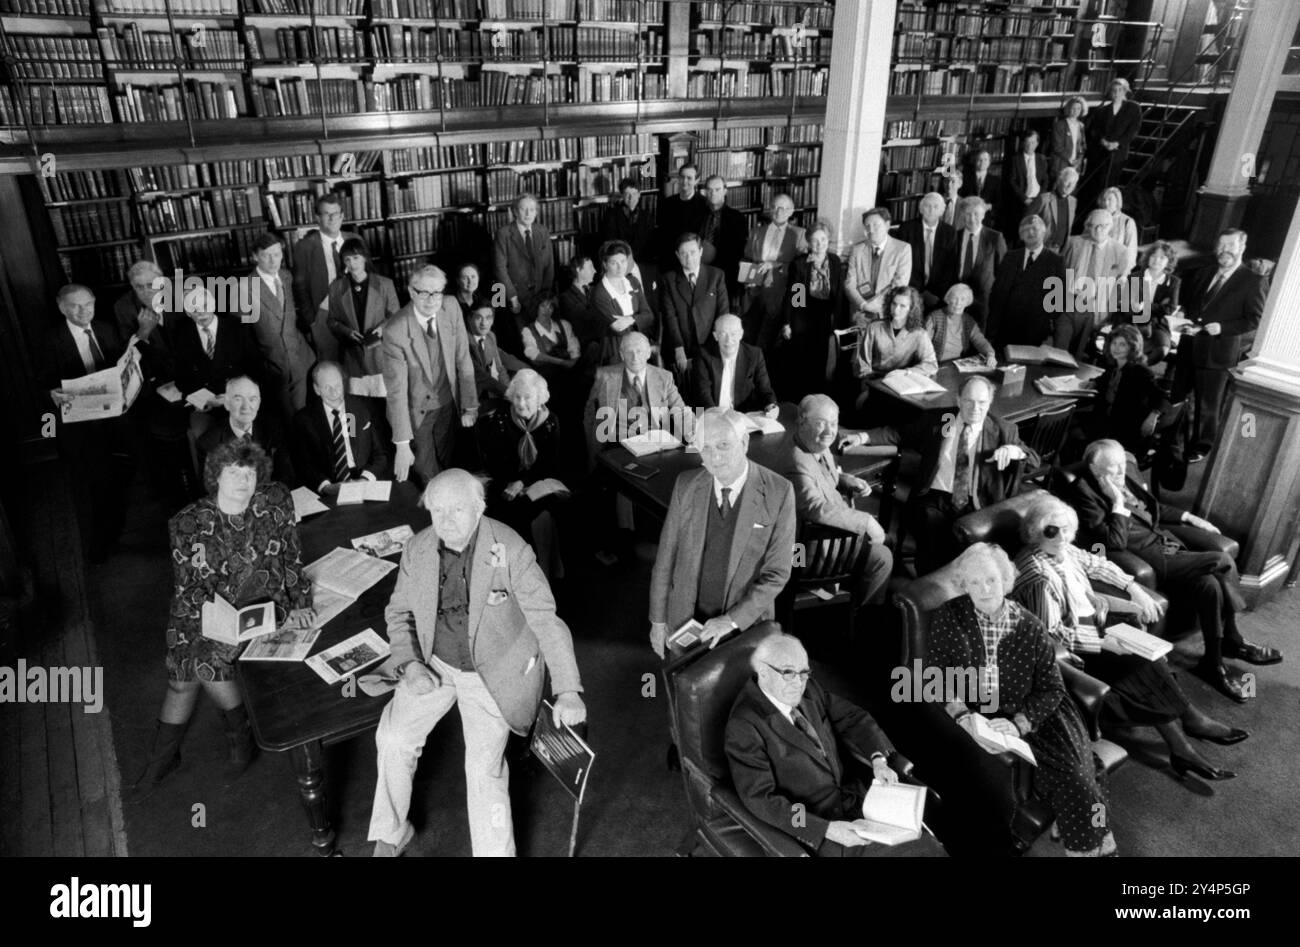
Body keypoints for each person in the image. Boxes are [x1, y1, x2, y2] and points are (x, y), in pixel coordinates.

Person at [368, 469, 586, 856]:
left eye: (456, 510)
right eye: (437, 511)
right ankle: (391, 830)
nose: (446, 521)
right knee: (393, 738)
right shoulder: (417, 549)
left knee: (483, 772)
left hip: (494, 671)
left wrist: (568, 689)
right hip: (434, 662)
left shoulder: (511, 548)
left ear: (479, 507)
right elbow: (398, 613)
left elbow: (547, 622)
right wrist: (410, 664)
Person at [1012, 495, 1246, 782]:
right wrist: (1103, 643)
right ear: (1035, 532)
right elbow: (1054, 635)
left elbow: (1097, 564)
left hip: (1094, 624)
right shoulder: (1038, 575)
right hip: (1074, 649)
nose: (1061, 537)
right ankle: (1188, 731)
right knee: (1140, 662)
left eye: (1065, 529)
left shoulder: (1063, 550)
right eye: (1052, 531)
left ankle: (1185, 737)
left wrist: (1134, 588)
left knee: (1147, 654)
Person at [131, 440, 314, 800]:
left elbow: (292, 556)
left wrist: (299, 602)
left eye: (248, 473)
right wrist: (219, 616)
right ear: (216, 476)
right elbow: (189, 587)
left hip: (263, 602)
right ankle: (180, 754)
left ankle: (225, 742)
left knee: (199, 667)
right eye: (233, 472)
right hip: (206, 606)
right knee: (187, 675)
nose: (243, 480)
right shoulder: (187, 522)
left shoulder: (275, 500)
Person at [926, 543, 1116, 856]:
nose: (984, 589)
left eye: (991, 580)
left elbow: (1053, 688)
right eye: (974, 582)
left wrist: (1019, 724)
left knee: (1081, 782)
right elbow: (934, 675)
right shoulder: (951, 616)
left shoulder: (1030, 626)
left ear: (1005, 580)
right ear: (964, 585)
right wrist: (962, 715)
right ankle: (1088, 835)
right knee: (1078, 785)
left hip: (1044, 714)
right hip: (991, 715)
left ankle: (1095, 845)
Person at [1063, 439, 1283, 702]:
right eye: (1114, 470)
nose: (1122, 473)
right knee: (1221, 560)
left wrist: (1189, 518)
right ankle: (1233, 638)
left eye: (1123, 465)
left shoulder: (1124, 475)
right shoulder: (1084, 492)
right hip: (1151, 558)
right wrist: (1117, 503)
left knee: (1209, 584)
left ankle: (1212, 663)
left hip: (1166, 545)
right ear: (1097, 471)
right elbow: (1113, 541)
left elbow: (1153, 508)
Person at [725, 632, 945, 857]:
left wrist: (878, 760)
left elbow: (855, 718)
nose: (799, 683)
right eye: (788, 673)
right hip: (815, 821)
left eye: (804, 672)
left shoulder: (809, 689)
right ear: (763, 672)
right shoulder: (744, 726)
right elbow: (763, 800)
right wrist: (824, 829)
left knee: (929, 847)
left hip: (856, 801)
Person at [648, 408, 796, 657]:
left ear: (745, 442)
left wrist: (731, 620)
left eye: (724, 445)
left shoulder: (779, 492)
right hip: (686, 621)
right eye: (705, 448)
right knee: (683, 687)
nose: (714, 457)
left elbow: (777, 574)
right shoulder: (686, 485)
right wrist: (658, 621)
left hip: (744, 627)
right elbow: (665, 559)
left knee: (739, 694)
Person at [897, 375, 1037, 574]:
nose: (975, 408)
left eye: (982, 403)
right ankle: (928, 582)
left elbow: (1034, 461)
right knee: (930, 534)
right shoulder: (942, 420)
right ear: (958, 400)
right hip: (936, 496)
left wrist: (1015, 452)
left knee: (966, 549)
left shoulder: (1003, 431)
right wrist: (863, 436)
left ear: (990, 403)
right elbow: (901, 434)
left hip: (977, 501)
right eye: (969, 401)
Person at [41, 283, 137, 562]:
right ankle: (101, 543)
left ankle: (120, 523)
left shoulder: (106, 328)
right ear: (62, 308)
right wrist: (51, 395)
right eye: (76, 306)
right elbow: (40, 384)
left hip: (115, 414)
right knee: (96, 484)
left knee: (123, 472)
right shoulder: (51, 341)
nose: (85, 311)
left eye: (89, 304)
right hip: (82, 424)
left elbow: (121, 364)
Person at [780, 394, 893, 616]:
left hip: (833, 534)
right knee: (883, 558)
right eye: (821, 423)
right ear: (801, 422)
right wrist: (866, 521)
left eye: (833, 423)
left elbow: (820, 477)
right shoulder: (794, 461)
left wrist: (844, 480)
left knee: (887, 541)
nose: (830, 431)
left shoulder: (814, 443)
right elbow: (813, 507)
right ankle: (861, 616)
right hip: (811, 550)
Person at [1174, 228, 1267, 463]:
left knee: (1207, 406)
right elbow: (1194, 306)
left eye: (1231, 245)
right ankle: (1171, 440)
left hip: (1217, 353)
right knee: (1178, 396)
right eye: (1222, 245)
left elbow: (1254, 318)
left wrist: (1223, 328)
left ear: (1242, 248)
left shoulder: (1253, 281)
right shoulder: (1204, 273)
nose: (1225, 250)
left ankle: (1201, 447)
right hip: (1189, 346)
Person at [382, 264, 478, 483]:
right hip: (418, 413)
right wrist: (402, 444)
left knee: (448, 464)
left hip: (447, 403)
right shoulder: (395, 330)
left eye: (436, 292)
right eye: (423, 292)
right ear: (410, 292)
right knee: (428, 474)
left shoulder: (451, 306)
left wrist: (470, 405)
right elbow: (395, 393)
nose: (431, 299)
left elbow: (463, 358)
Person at [479, 369, 568, 582]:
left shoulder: (550, 421)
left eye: (527, 398)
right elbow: (494, 463)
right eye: (517, 397)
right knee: (508, 511)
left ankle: (540, 570)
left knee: (537, 510)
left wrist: (523, 482)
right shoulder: (499, 420)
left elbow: (550, 465)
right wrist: (512, 483)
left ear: (539, 399)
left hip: (539, 481)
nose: (520, 403)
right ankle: (512, 574)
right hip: (505, 481)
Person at [583, 330, 692, 462]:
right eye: (629, 352)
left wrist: (693, 434)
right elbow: (589, 412)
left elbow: (681, 410)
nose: (635, 358)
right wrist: (593, 445)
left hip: (653, 444)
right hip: (616, 445)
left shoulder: (664, 377)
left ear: (648, 353)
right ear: (622, 355)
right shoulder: (603, 376)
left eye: (639, 351)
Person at [290, 361, 390, 493]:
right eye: (327, 387)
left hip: (364, 478)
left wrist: (365, 480)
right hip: (330, 484)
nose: (334, 392)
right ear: (316, 389)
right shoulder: (304, 419)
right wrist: (327, 487)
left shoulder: (363, 407)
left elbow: (381, 454)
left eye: (338, 385)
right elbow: (304, 465)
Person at [250, 231, 315, 427]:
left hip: (301, 361)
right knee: (286, 424)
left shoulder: (286, 277)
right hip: (273, 369)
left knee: (305, 418)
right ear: (254, 256)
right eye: (266, 255)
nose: (273, 261)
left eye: (277, 254)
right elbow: (245, 337)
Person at [781, 220, 846, 397]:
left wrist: (838, 320)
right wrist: (788, 322)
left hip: (826, 315)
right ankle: (800, 397)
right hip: (804, 312)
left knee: (820, 357)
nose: (820, 245)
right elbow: (795, 296)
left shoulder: (834, 260)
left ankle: (817, 396)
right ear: (809, 243)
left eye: (823, 239)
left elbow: (838, 292)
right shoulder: (801, 263)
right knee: (802, 358)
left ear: (828, 240)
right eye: (815, 241)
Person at [325, 237, 400, 389]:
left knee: (385, 404)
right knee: (359, 406)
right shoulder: (336, 288)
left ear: (365, 258)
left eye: (356, 258)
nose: (352, 264)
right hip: (353, 359)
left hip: (381, 356)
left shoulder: (385, 284)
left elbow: (396, 316)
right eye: (347, 259)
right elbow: (331, 321)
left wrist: (382, 329)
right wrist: (347, 332)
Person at [292, 192, 359, 362]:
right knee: (330, 364)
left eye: (335, 214)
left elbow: (370, 275)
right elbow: (300, 287)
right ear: (317, 218)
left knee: (357, 362)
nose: (331, 219)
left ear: (342, 216)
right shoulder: (305, 247)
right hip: (324, 314)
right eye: (326, 214)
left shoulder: (355, 240)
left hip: (355, 311)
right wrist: (312, 321)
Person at [1084, 325, 1170, 455]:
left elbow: (1163, 397)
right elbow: (1104, 378)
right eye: (1114, 343)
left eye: (1122, 345)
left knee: (1070, 429)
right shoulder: (1114, 365)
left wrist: (1153, 416)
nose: (1116, 348)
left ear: (1133, 347)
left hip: (1124, 431)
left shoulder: (1141, 372)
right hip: (1107, 420)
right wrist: (1094, 382)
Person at [196, 374, 294, 485]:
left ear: (259, 402)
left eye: (253, 399)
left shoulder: (273, 428)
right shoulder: (208, 444)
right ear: (227, 404)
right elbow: (212, 491)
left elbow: (286, 476)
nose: (246, 407)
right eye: (238, 399)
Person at [1058, 209, 1128, 360]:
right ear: (1087, 226)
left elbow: (1119, 283)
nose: (1098, 230)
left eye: (1102, 226)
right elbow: (1059, 272)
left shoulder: (1120, 251)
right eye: (1093, 225)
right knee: (1059, 350)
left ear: (1110, 227)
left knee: (1077, 354)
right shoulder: (1073, 243)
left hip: (1094, 308)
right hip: (1069, 303)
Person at [987, 215, 1066, 349]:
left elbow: (1058, 302)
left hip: (1035, 334)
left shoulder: (1056, 262)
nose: (1030, 233)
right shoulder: (1010, 257)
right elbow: (997, 293)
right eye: (1025, 230)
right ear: (1020, 235)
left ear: (1043, 232)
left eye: (1034, 229)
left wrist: (1044, 327)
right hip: (1005, 331)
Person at [740, 193, 808, 349]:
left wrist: (776, 264)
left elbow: (802, 268)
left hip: (783, 297)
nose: (779, 211)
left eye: (784, 208)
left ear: (791, 211)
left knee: (773, 346)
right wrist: (747, 278)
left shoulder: (799, 234)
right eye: (776, 207)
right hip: (754, 295)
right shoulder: (756, 232)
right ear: (770, 209)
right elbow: (746, 258)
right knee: (749, 340)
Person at [660, 231, 731, 374]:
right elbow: (670, 316)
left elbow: (722, 313)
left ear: (701, 252)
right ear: (677, 255)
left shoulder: (716, 275)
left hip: (711, 343)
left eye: (693, 252)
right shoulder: (668, 279)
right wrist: (678, 348)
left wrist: (717, 345)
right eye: (683, 253)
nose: (689, 258)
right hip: (682, 345)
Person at [689, 313, 777, 414]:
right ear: (715, 336)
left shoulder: (754, 355)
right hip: (711, 415)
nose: (728, 340)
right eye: (723, 334)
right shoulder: (703, 355)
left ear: (741, 334)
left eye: (733, 334)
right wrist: (717, 418)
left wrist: (771, 406)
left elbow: (765, 390)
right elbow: (703, 395)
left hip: (744, 416)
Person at [492, 193, 555, 329]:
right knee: (523, 340)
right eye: (523, 209)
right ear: (515, 211)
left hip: (540, 298)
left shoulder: (542, 232)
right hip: (516, 299)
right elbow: (499, 268)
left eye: (532, 210)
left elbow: (549, 266)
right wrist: (512, 297)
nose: (528, 214)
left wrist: (545, 296)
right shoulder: (503, 234)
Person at [590, 238, 655, 365]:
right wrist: (638, 319)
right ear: (605, 264)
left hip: (640, 349)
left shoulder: (633, 282)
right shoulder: (599, 293)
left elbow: (649, 316)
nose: (620, 267)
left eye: (623, 261)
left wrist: (630, 319)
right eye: (614, 263)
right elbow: (619, 328)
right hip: (615, 353)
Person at [854, 285, 938, 381]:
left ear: (911, 309)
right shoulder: (874, 328)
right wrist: (870, 380)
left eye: (902, 306)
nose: (896, 310)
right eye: (894, 304)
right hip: (875, 381)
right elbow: (862, 364)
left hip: (903, 381)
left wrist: (906, 372)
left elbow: (931, 365)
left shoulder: (920, 334)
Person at [844, 206, 912, 322]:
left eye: (876, 225)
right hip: (860, 313)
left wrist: (877, 308)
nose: (871, 230)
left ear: (887, 225)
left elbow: (899, 284)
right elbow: (849, 283)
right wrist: (863, 305)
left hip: (887, 312)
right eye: (867, 226)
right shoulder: (857, 250)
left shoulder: (902, 249)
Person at [1120, 240, 1180, 365]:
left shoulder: (1174, 282)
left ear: (1168, 261)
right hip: (1133, 319)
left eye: (1162, 258)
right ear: (1148, 257)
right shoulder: (1134, 277)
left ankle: (1138, 369)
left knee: (1162, 350)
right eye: (1153, 256)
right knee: (1128, 346)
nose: (1156, 260)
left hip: (1157, 323)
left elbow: (1170, 308)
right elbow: (1125, 305)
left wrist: (1144, 306)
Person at [897, 192, 957, 311]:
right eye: (927, 206)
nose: (931, 210)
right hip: (910, 292)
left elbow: (950, 267)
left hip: (937, 295)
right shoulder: (906, 228)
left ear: (942, 211)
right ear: (920, 209)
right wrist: (917, 292)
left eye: (936, 207)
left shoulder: (950, 232)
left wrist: (936, 293)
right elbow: (901, 263)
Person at [952, 196, 1007, 325]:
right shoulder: (954, 236)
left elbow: (1003, 272)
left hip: (983, 302)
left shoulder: (995, 238)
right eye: (968, 214)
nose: (972, 219)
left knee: (978, 340)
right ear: (962, 215)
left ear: (983, 215)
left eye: (976, 214)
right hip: (956, 299)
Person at [601, 176, 657, 301]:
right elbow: (610, 242)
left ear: (639, 194)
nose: (631, 198)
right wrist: (627, 259)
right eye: (627, 194)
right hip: (621, 261)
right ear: (622, 195)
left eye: (634, 193)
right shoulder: (612, 215)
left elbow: (650, 243)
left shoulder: (646, 215)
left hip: (642, 261)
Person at [695, 173, 747, 299]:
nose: (713, 193)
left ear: (725, 191)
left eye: (717, 189)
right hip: (699, 271)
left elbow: (739, 251)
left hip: (724, 274)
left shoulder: (737, 218)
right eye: (709, 190)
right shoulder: (696, 214)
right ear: (705, 192)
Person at [465, 304, 523, 415]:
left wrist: (509, 390)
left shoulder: (490, 336)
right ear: (469, 319)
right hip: (473, 398)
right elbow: (481, 377)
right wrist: (508, 393)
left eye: (488, 318)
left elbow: (500, 368)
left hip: (493, 392)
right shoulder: (464, 342)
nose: (484, 323)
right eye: (478, 317)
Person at [1089, 78, 1140, 190]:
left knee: (1112, 183)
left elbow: (1133, 130)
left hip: (1119, 152)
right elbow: (1095, 130)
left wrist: (1117, 143)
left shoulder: (1133, 108)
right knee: (1098, 182)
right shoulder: (1102, 110)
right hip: (1102, 150)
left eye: (1120, 90)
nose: (1116, 93)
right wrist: (1103, 141)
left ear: (1125, 91)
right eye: (1114, 90)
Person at [926, 283, 996, 366]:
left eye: (963, 299)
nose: (958, 303)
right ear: (948, 299)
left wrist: (990, 354)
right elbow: (923, 345)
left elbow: (980, 341)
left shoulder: (968, 320)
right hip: (936, 364)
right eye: (955, 298)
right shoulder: (934, 317)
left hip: (957, 364)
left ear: (967, 302)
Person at [657, 163, 708, 271]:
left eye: (689, 178)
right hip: (671, 259)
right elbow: (662, 234)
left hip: (694, 260)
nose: (685, 181)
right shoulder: (667, 203)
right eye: (682, 177)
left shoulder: (705, 204)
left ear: (697, 180)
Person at [557, 256, 601, 371]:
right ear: (578, 269)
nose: (595, 271)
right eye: (590, 267)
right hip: (584, 345)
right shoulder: (566, 298)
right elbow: (581, 324)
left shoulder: (596, 290)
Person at [1007, 131, 1049, 228]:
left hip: (1038, 198)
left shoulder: (1041, 159)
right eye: (1027, 142)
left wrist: (1040, 197)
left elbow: (1045, 180)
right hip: (1023, 199)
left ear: (1037, 144)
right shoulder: (1015, 159)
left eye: (1033, 142)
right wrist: (1024, 198)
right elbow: (1011, 181)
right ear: (1023, 143)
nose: (1030, 145)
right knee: (1024, 227)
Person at [1098, 186, 1139, 274]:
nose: (1106, 203)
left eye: (1110, 200)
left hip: (1116, 270)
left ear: (1117, 202)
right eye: (1104, 199)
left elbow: (1131, 252)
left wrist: (1122, 272)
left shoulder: (1127, 222)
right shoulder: (1095, 218)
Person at [1039, 166, 1079, 255]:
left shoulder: (1073, 202)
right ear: (1059, 181)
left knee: (1065, 268)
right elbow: (1027, 223)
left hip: (1061, 250)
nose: (1069, 186)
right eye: (1067, 181)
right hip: (1042, 248)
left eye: (1073, 183)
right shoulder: (1044, 199)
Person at [958, 149, 1001, 227]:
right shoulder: (965, 177)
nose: (982, 162)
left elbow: (999, 201)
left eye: (985, 159)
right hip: (967, 216)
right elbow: (960, 196)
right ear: (975, 161)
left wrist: (989, 206)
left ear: (989, 162)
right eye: (979, 160)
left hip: (986, 218)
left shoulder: (996, 180)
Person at [1049, 95, 1088, 178]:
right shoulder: (1059, 125)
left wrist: (1079, 160)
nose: (1076, 111)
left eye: (1078, 108)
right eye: (1073, 108)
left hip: (1075, 166)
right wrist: (1070, 159)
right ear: (1068, 108)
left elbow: (1083, 146)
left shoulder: (1081, 126)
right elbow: (1057, 146)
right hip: (1061, 164)